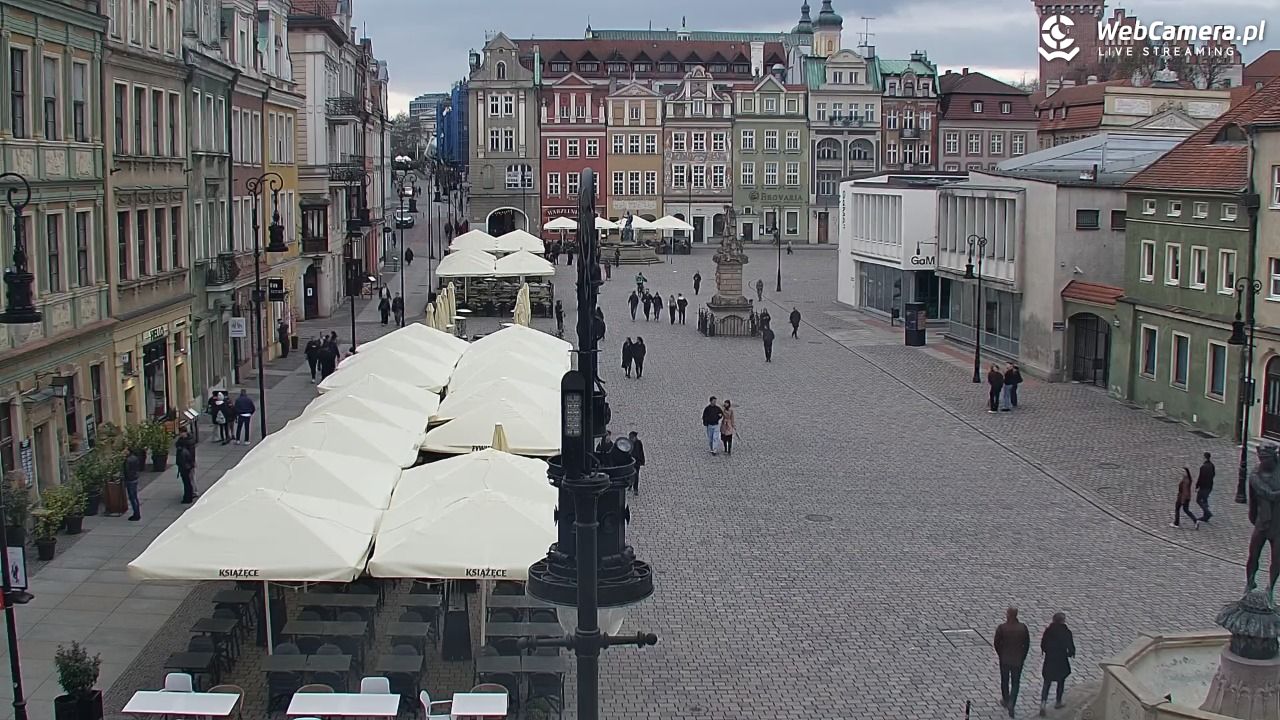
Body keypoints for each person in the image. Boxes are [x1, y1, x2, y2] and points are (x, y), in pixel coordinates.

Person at [994, 607, 1031, 717]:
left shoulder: (1002, 628)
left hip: (1005, 659)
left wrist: (1001, 654)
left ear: (1008, 615)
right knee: (1015, 682)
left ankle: (1006, 699)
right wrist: (1022, 656)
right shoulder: (1023, 628)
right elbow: (1026, 644)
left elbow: (996, 643)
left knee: (1004, 680)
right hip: (1017, 660)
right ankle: (1012, 703)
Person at [1039, 613, 1076, 716]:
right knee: (1061, 680)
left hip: (1050, 660)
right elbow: (1070, 646)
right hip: (1061, 660)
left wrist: (1047, 651)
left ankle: (1043, 703)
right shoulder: (1066, 632)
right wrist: (1070, 653)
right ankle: (1058, 701)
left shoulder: (1048, 631)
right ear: (1062, 621)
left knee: (1047, 682)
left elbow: (1043, 644)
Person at [175, 427, 198, 504]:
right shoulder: (183, 440)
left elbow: (191, 454)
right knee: (189, 479)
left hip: (187, 463)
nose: (180, 434)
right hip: (186, 463)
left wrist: (192, 463)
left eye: (181, 433)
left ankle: (192, 493)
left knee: (189, 480)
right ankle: (192, 493)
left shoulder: (187, 442)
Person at [123, 448, 143, 521]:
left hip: (130, 480)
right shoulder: (135, 458)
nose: (124, 452)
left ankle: (136, 514)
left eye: (125, 450)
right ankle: (137, 513)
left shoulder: (128, 460)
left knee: (132, 497)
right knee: (135, 497)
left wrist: (125, 479)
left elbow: (127, 471)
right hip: (135, 478)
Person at [1197, 452, 1215, 522]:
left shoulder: (1203, 467)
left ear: (1205, 458)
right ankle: (1205, 516)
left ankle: (1207, 513)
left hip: (1203, 487)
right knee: (1205, 500)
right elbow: (1213, 474)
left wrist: (1197, 486)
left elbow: (1200, 478)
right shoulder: (1212, 465)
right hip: (1209, 486)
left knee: (1198, 500)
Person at [629, 431, 645, 495]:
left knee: (636, 475)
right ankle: (630, 485)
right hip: (630, 462)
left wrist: (641, 461)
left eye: (632, 438)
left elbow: (641, 452)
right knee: (630, 474)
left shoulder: (638, 443)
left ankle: (635, 489)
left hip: (636, 462)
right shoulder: (629, 443)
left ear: (635, 437)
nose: (631, 439)